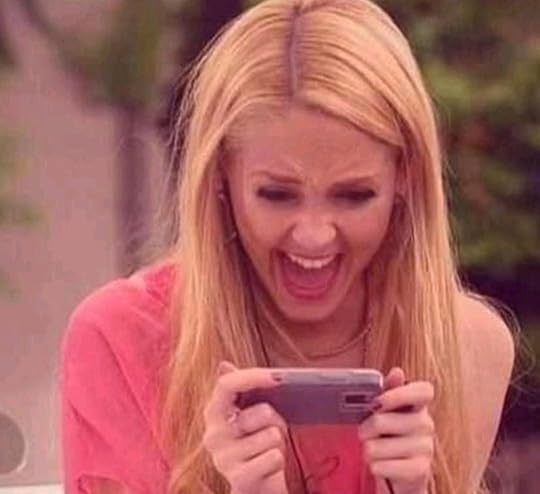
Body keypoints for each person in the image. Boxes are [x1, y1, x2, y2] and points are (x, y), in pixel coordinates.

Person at [59, 0, 516, 493]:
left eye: (354, 195)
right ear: (221, 176)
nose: (314, 235)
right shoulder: (121, 341)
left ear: (405, 179)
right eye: (277, 194)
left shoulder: (466, 346)